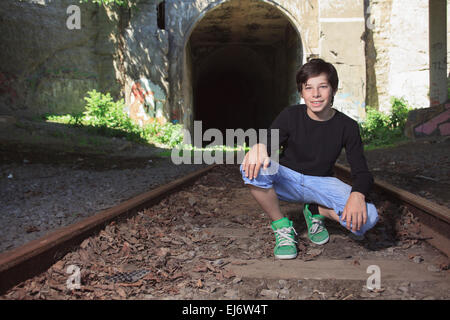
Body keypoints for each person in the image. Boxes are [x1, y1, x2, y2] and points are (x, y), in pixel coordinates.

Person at [240, 58, 379, 259]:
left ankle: (317, 210)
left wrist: (357, 195)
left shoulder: (347, 126)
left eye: (322, 86)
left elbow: (362, 172)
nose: (315, 94)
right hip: (288, 181)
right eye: (308, 88)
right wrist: (260, 147)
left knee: (370, 217)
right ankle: (282, 226)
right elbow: (270, 140)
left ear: (333, 90)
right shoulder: (290, 115)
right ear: (301, 92)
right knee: (251, 165)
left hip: (321, 183)